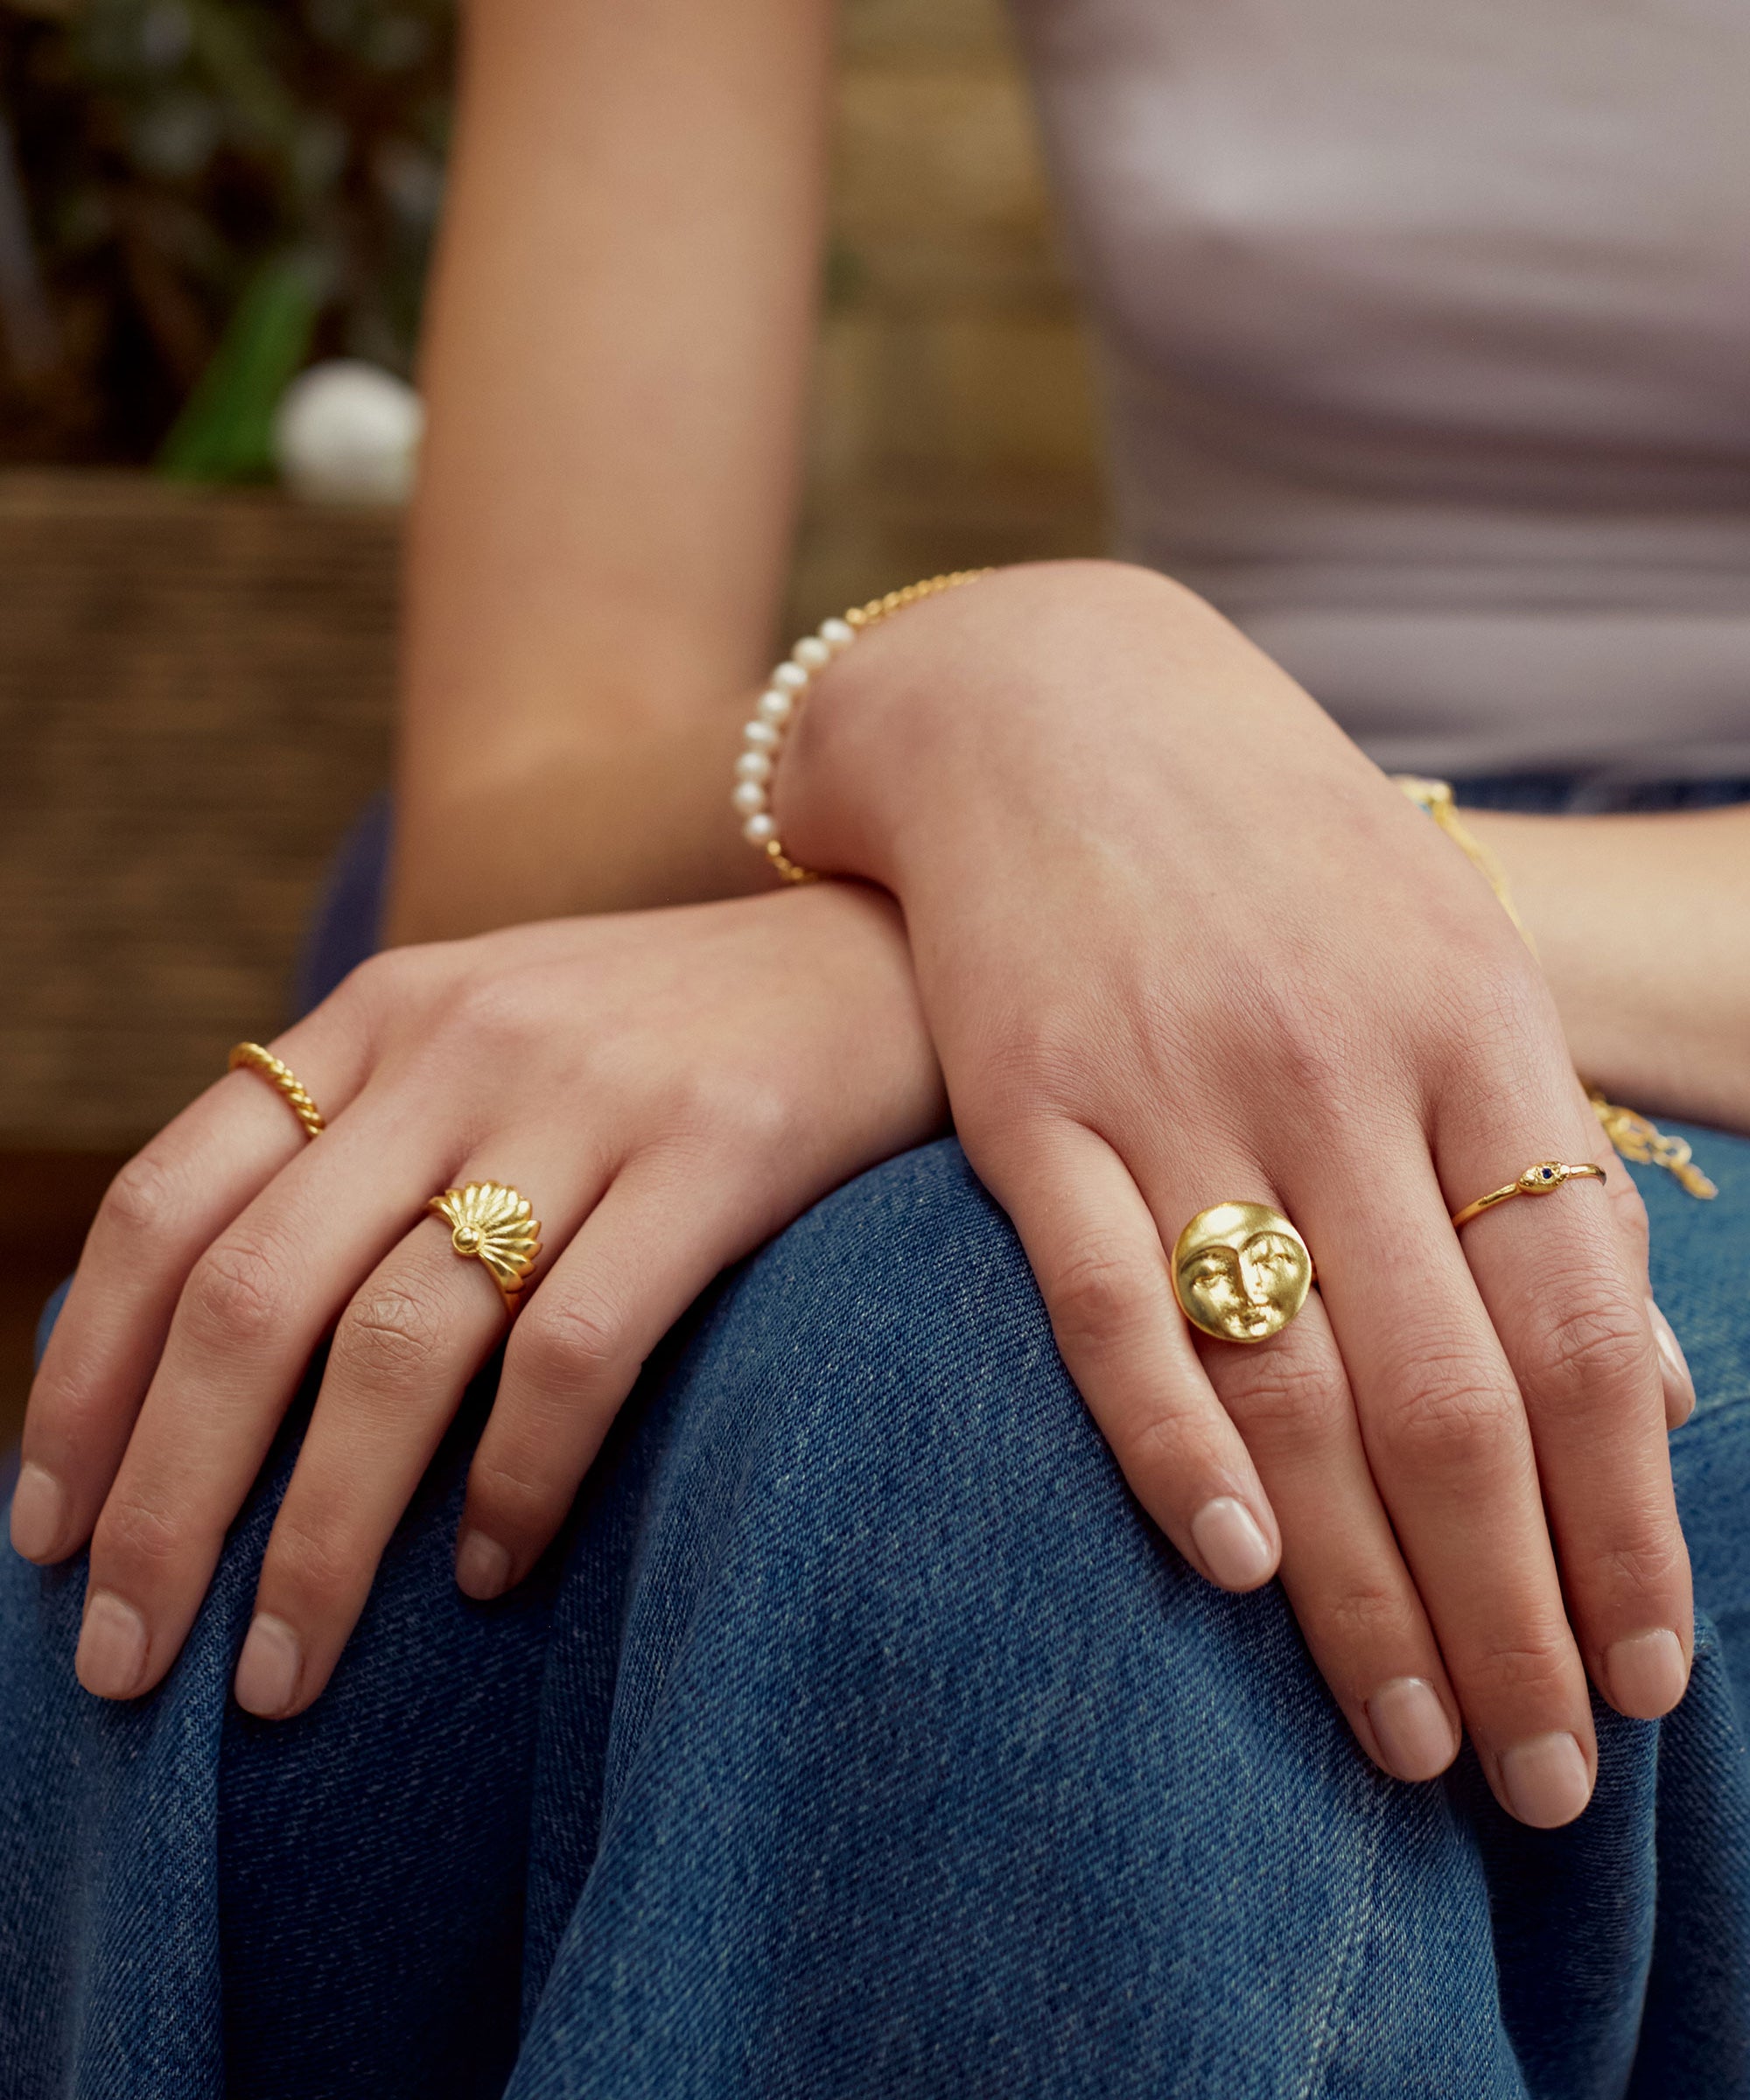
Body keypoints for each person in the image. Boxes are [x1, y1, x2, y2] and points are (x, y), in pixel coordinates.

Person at [4, 0, 1748, 2091]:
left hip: (1646, 975)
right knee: (301, 1501)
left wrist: (1150, 916)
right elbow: (506, 822)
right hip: (1085, 854)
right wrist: (959, 709)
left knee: (1039, 1428)